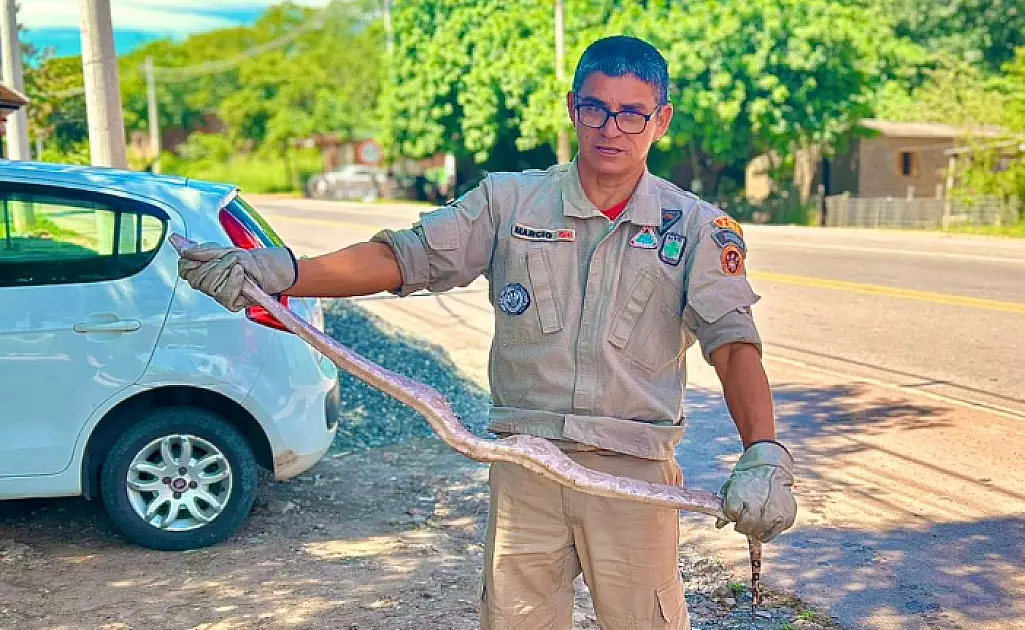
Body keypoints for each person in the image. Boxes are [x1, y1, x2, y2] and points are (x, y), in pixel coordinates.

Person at [177, 35, 797, 630]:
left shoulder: (695, 228)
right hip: (524, 467)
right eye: (595, 108)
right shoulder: (509, 204)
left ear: (661, 121)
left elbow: (732, 343)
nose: (611, 128)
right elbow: (404, 258)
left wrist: (763, 452)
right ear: (572, 108)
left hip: (632, 478)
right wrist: (282, 272)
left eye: (632, 114)